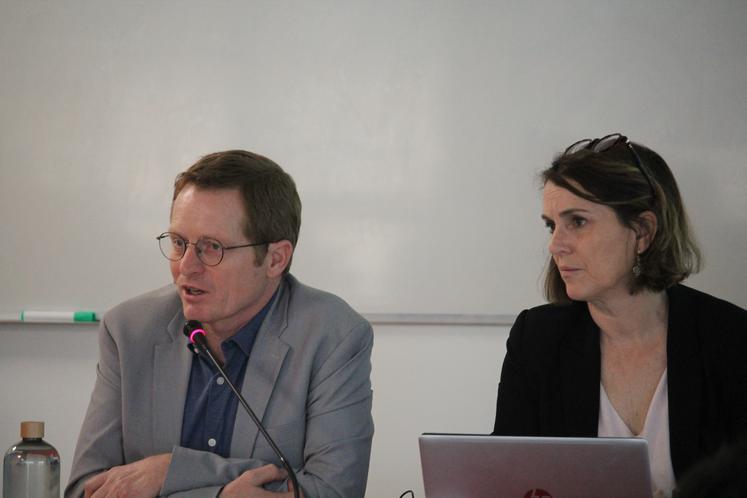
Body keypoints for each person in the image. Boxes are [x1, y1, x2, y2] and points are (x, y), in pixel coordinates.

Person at [65, 150, 374, 498]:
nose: (186, 266)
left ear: (275, 259)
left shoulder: (333, 337)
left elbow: (334, 492)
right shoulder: (128, 330)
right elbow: (86, 490)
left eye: (212, 248)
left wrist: (170, 471)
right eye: (179, 242)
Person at [492, 134, 746, 497]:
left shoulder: (731, 339)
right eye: (552, 225)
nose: (555, 244)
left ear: (642, 231)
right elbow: (507, 479)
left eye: (577, 222)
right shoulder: (536, 339)